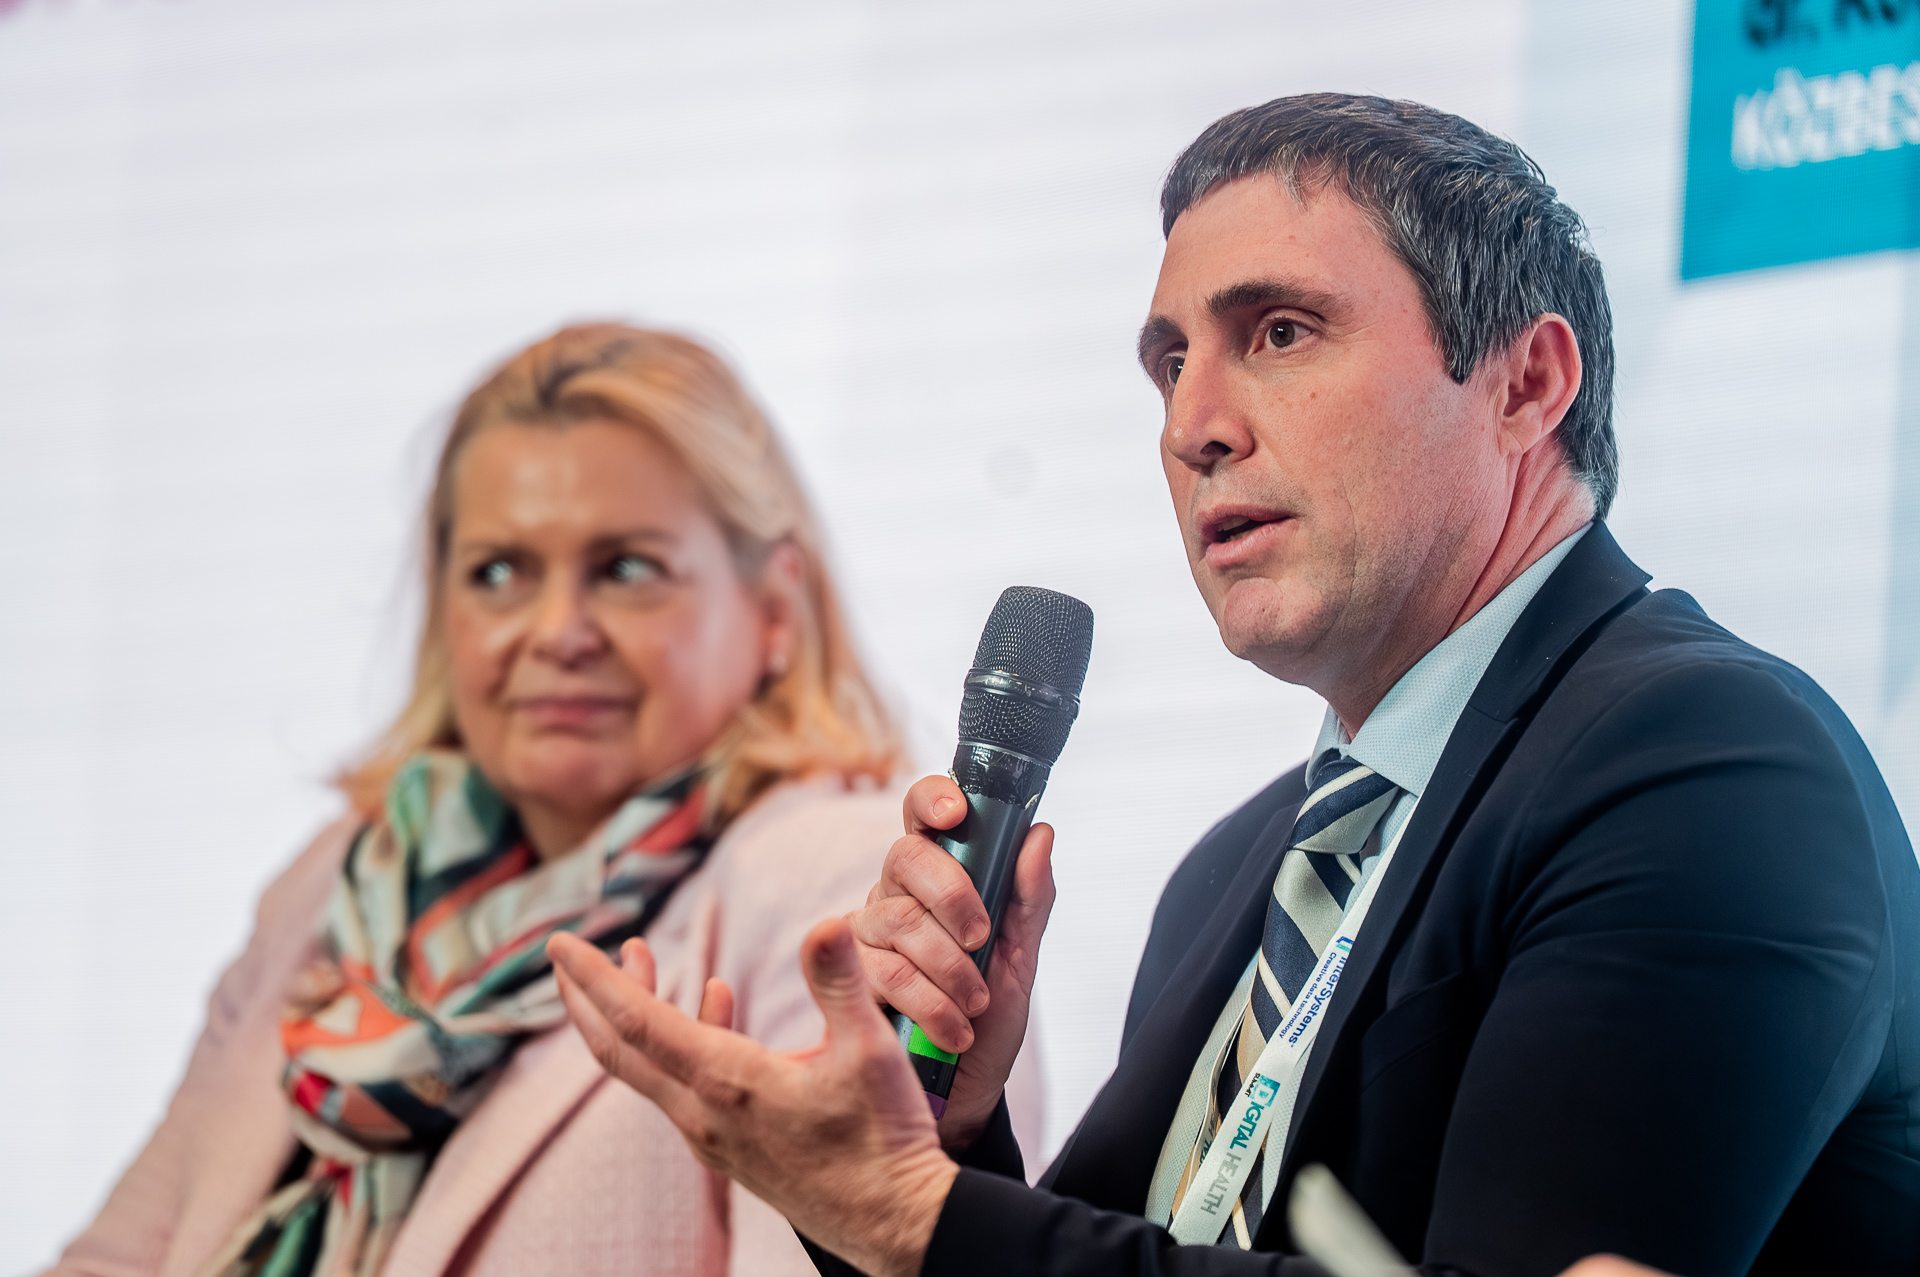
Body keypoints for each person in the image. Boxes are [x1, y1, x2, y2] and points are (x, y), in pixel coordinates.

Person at [548, 95, 1920, 1277]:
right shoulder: (1235, 870)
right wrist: (944, 1142)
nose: (1192, 425)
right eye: (1169, 362)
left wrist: (915, 1217)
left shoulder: (1709, 766)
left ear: (1526, 384)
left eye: (1279, 332)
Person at [44, 322, 949, 1277]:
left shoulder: (842, 883)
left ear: (774, 608)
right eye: (499, 572)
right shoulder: (336, 883)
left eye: (626, 568)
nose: (557, 631)